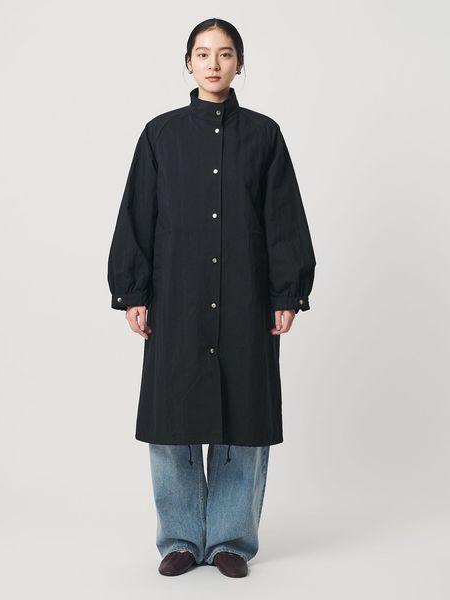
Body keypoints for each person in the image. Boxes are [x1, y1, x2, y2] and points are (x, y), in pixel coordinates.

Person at [107, 18, 316, 578]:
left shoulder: (265, 136)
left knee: (244, 416)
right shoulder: (160, 135)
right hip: (176, 295)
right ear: (188, 63)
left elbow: (283, 217)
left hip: (246, 297)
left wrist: (286, 292)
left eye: (225, 54)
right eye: (203, 53)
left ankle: (230, 540)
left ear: (239, 63)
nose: (214, 64)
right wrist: (133, 290)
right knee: (171, 419)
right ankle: (179, 539)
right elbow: (138, 213)